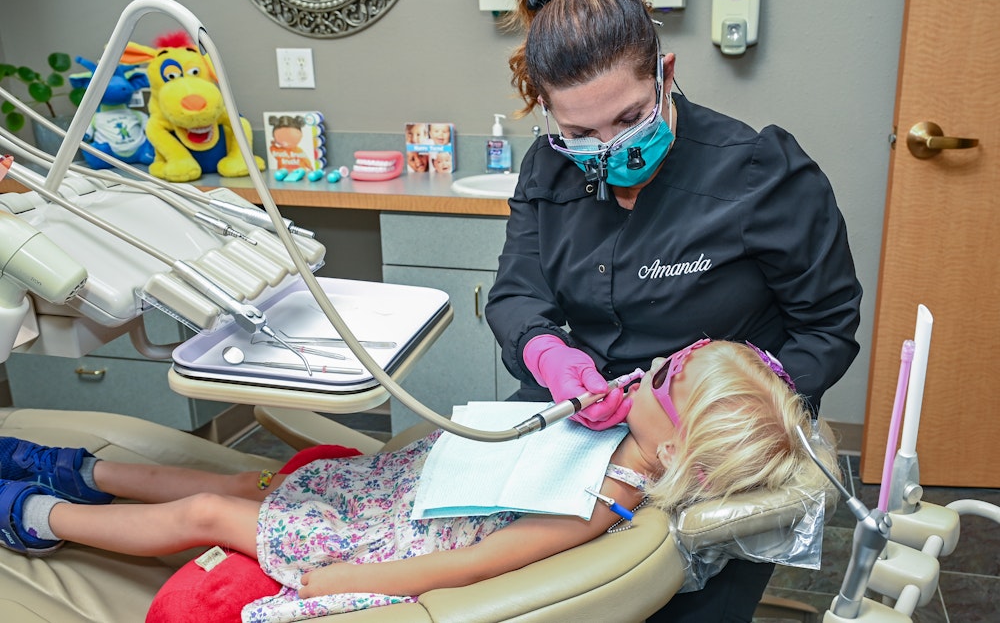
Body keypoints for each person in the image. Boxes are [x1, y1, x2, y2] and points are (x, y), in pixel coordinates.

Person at [485, 0, 863, 620]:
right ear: (546, 112)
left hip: (705, 463)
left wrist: (734, 402)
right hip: (582, 440)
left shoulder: (761, 173)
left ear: (665, 73)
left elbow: (828, 327)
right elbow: (516, 296)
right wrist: (551, 358)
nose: (610, 152)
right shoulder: (547, 171)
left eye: (630, 119)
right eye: (579, 134)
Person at [0, 341, 834, 622]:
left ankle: (40, 517)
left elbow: (469, 567)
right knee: (250, 488)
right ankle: (77, 469)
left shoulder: (600, 505)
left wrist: (347, 580)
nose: (655, 373)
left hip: (385, 543)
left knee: (215, 510)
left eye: (667, 383)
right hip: (403, 496)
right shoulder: (622, 430)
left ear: (678, 444)